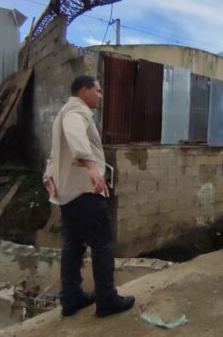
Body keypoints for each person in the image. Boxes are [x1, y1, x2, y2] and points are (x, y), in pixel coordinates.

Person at [43, 75, 134, 318]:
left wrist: (48, 175)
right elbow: (76, 138)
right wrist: (93, 168)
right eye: (98, 90)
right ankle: (107, 299)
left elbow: (54, 153)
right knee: (102, 244)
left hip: (68, 195)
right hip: (84, 191)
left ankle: (71, 298)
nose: (100, 95)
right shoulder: (76, 113)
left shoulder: (62, 113)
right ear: (84, 90)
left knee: (73, 246)